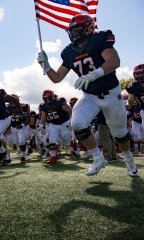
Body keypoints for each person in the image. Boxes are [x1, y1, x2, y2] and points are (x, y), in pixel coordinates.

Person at [37, 14, 137, 176]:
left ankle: (128, 158)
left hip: (111, 93)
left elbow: (114, 61)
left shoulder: (99, 38)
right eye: (72, 30)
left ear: (89, 27)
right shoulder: (69, 52)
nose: (73, 33)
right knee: (77, 123)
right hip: (89, 95)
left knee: (119, 132)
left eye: (77, 29)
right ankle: (98, 158)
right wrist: (46, 66)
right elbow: (57, 78)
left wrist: (94, 75)